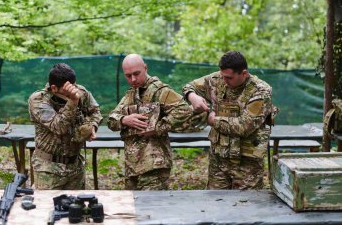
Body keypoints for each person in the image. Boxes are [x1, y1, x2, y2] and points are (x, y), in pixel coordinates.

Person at [183, 51, 273, 190]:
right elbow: (189, 86)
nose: (224, 81)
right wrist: (192, 96)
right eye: (223, 76)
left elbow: (244, 126)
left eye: (229, 78)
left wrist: (213, 120)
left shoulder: (260, 91)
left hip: (247, 164)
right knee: (216, 204)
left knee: (247, 206)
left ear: (243, 73)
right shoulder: (217, 79)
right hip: (219, 159)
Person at [107, 54, 192, 190]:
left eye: (136, 74)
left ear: (145, 68)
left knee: (152, 208)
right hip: (133, 166)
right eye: (128, 76)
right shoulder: (131, 94)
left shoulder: (159, 91)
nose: (133, 79)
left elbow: (184, 110)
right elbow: (111, 120)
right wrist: (124, 119)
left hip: (154, 165)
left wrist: (159, 127)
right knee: (132, 207)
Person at [28, 63, 103, 189]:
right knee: (47, 207)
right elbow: (58, 126)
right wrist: (73, 101)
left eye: (73, 87)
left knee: (77, 207)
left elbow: (96, 112)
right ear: (54, 88)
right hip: (48, 168)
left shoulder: (81, 92)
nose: (71, 92)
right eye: (66, 90)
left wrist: (92, 127)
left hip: (75, 166)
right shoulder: (38, 100)